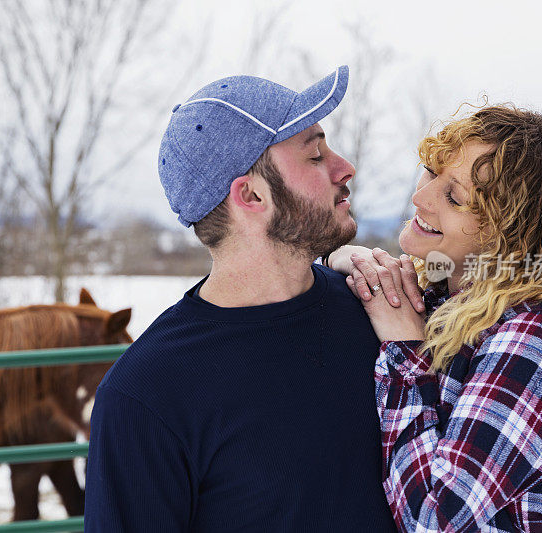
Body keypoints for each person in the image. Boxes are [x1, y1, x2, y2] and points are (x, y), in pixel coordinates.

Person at [84, 66, 396, 532]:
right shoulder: (146, 396)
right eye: (314, 156)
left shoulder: (376, 309)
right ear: (250, 195)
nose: (344, 167)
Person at [326, 105, 542, 531]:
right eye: (430, 173)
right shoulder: (442, 301)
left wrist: (406, 352)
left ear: (512, 233)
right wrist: (346, 258)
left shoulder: (539, 334)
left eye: (454, 197)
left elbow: (434, 519)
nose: (419, 198)